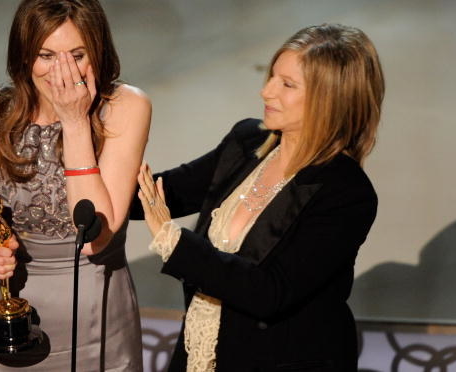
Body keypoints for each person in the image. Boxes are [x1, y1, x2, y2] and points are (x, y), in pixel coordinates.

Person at [133, 23, 384, 371]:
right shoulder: (247, 142)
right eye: (271, 77)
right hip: (200, 355)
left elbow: (270, 292)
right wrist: (86, 147)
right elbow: (164, 192)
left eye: (287, 84)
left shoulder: (346, 192)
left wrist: (172, 239)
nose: (266, 92)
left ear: (331, 99)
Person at [0, 0, 150, 371]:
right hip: (17, 310)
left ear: (97, 52)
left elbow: (97, 237)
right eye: (46, 55)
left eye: (77, 55)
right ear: (24, 56)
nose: (61, 71)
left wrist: (75, 122)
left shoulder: (125, 108)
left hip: (97, 312)